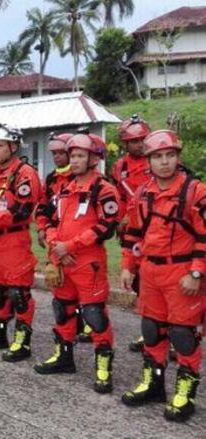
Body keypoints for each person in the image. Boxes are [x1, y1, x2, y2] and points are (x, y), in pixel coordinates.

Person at [119, 130, 206, 423]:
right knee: (152, 330)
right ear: (149, 161)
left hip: (182, 274)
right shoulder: (143, 193)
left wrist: (196, 272)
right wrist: (128, 266)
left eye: (170, 155)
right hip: (150, 273)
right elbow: (133, 233)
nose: (164, 162)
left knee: (183, 335)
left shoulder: (196, 192)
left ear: (178, 158)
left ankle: (185, 393)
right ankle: (154, 384)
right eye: (158, 156)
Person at [34, 133, 120, 394]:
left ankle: (103, 367)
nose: (74, 160)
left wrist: (70, 246)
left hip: (88, 263)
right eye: (72, 155)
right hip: (62, 259)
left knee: (94, 314)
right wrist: (56, 247)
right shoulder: (64, 188)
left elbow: (106, 227)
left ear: (94, 159)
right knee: (62, 309)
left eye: (80, 155)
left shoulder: (103, 189)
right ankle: (64, 357)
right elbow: (49, 220)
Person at [0, 122, 42, 362]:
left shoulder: (24, 173)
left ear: (13, 147)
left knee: (18, 293)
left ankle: (22, 340)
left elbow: (23, 210)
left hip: (14, 241)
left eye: (0, 145)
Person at [35, 133, 92, 342]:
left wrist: (69, 245)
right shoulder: (51, 178)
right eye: (54, 153)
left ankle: (88, 322)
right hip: (55, 238)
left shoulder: (81, 178)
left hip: (78, 242)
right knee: (60, 288)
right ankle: (69, 328)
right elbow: (43, 207)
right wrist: (42, 228)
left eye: (61, 153)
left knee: (85, 290)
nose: (57, 157)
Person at [112, 115, 154, 352]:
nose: (139, 145)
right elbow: (119, 196)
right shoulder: (120, 167)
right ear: (125, 144)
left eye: (142, 140)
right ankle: (151, 329)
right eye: (134, 141)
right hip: (132, 232)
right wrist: (119, 220)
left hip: (155, 230)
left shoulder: (156, 162)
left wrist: (133, 214)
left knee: (159, 280)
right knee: (138, 280)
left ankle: (170, 333)